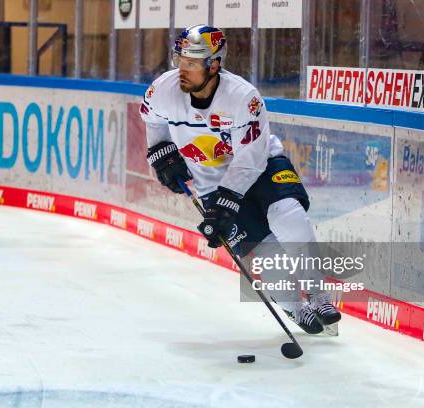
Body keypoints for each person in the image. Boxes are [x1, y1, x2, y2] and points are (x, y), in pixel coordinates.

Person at [140, 24, 340, 334]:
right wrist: (161, 153)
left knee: (289, 216)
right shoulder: (162, 90)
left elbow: (250, 159)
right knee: (262, 250)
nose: (183, 69)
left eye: (192, 63)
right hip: (210, 183)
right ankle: (295, 308)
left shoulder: (243, 97)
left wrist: (226, 203)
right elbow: (152, 121)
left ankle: (319, 294)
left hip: (262, 166)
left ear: (214, 65)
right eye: (180, 60)